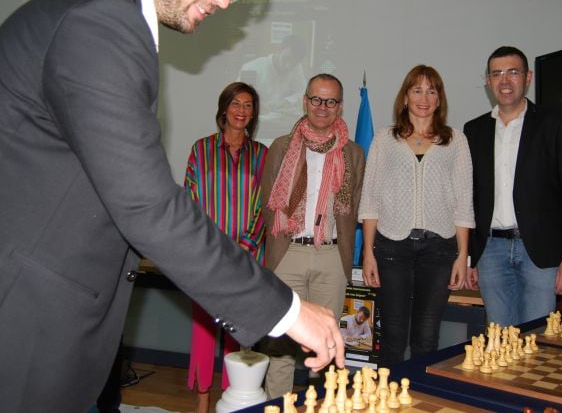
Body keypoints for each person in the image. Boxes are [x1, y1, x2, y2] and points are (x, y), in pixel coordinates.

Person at [0, 0, 345, 411]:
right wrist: (286, 310)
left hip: (29, 318)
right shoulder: (102, 20)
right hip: (1, 323)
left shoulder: (102, 13)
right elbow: (146, 204)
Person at [463, 46, 562, 327]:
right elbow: (471, 198)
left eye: (513, 72)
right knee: (500, 343)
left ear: (527, 77)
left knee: (537, 342)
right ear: (488, 80)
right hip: (491, 252)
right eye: (497, 73)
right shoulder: (474, 130)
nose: (504, 81)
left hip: (540, 253)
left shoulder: (553, 122)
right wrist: (472, 256)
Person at [359, 64, 474, 369]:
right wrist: (368, 253)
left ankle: (422, 401)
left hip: (439, 250)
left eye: (431, 90)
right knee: (393, 338)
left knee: (426, 337)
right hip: (391, 249)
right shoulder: (385, 139)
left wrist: (463, 256)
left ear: (439, 99)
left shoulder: (456, 140)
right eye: (417, 89)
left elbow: (464, 202)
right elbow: (370, 199)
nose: (424, 97)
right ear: (405, 97)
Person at [260, 73, 365, 398]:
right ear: (305, 101)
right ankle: (279, 407)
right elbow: (267, 203)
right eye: (316, 99)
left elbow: (356, 206)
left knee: (325, 347)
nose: (322, 107)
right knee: (280, 347)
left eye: (330, 101)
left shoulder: (353, 153)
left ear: (340, 107)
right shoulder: (280, 147)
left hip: (332, 258)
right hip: (287, 253)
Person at [183, 82, 267, 413]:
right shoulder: (200, 150)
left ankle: (233, 401)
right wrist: (211, 248)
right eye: (236, 103)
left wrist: (244, 246)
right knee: (204, 333)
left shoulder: (262, 154)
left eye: (248, 105)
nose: (242, 110)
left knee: (238, 334)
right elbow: (189, 202)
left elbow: (265, 206)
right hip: (207, 260)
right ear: (223, 108)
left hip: (247, 261)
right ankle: (203, 402)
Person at [238, 34, 308, 130]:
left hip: (280, 124)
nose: (288, 66)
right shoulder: (252, 68)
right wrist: (256, 104)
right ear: (279, 50)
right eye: (286, 59)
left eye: (293, 63)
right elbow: (240, 97)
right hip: (254, 125)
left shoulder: (296, 67)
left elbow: (302, 92)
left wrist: (285, 102)